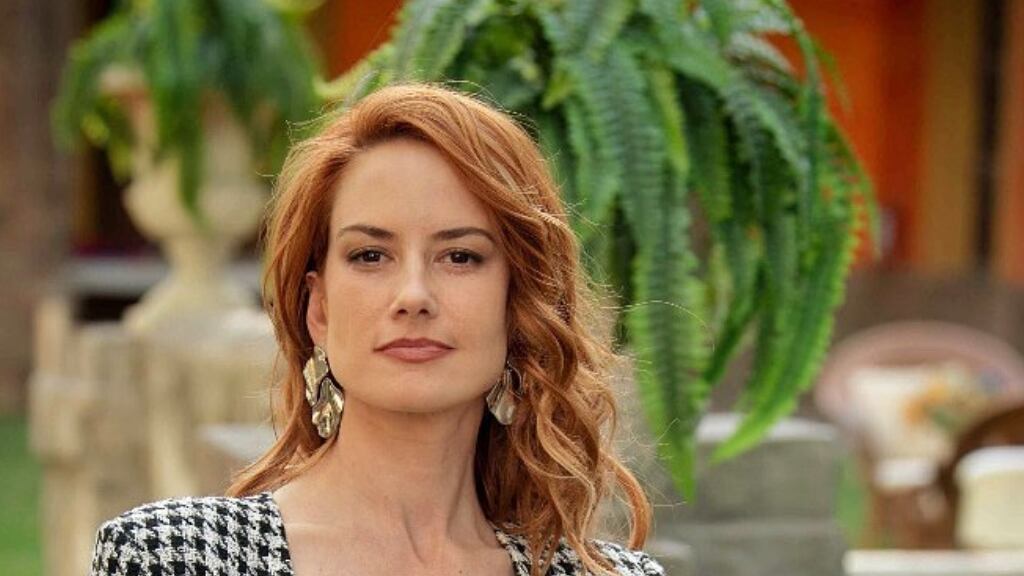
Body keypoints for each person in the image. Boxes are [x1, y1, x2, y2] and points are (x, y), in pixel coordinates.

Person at [89, 84, 665, 576]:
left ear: (519, 306)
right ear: (319, 308)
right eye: (370, 255)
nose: (413, 295)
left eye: (460, 256)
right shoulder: (175, 557)